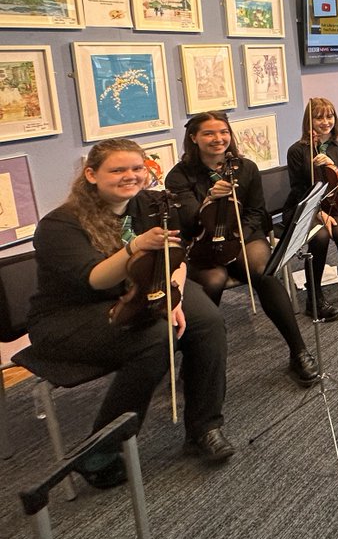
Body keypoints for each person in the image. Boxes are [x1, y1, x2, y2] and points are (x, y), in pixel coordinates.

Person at [26, 139, 233, 488]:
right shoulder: (60, 224)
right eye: (118, 170)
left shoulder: (150, 203)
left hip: (140, 293)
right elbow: (94, 280)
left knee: (207, 321)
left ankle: (205, 426)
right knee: (156, 337)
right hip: (70, 316)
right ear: (91, 174)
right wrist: (134, 247)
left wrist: (174, 295)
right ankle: (99, 451)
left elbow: (176, 254)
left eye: (137, 168)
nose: (130, 176)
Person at [166, 112, 318, 388]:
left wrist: (237, 237)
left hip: (242, 238)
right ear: (193, 138)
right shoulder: (179, 177)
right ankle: (193, 358)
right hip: (202, 244)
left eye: (223, 132)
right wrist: (210, 199)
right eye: (209, 133)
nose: (218, 139)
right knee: (212, 280)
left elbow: (256, 213)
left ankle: (298, 351)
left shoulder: (245, 168)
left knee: (264, 271)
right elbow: (187, 222)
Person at [283, 98, 338, 319]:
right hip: (303, 206)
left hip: (334, 203)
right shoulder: (297, 150)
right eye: (319, 117)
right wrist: (317, 212)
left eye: (330, 116)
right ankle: (314, 297)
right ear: (309, 121)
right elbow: (298, 188)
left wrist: (330, 165)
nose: (326, 122)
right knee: (320, 236)